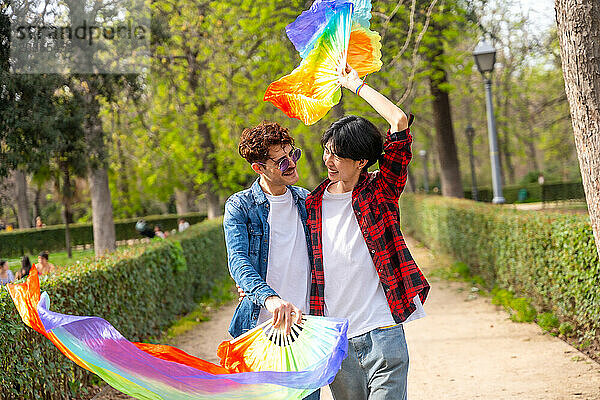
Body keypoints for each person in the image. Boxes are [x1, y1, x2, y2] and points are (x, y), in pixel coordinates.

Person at [304, 65, 430, 400]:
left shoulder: (380, 191)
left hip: (383, 331)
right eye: (327, 150)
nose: (329, 160)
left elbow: (399, 122)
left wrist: (356, 85)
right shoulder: (312, 204)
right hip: (336, 337)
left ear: (361, 161)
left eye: (338, 155)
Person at [223, 121, 318, 400]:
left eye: (293, 155)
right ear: (259, 168)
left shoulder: (308, 201)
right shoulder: (240, 206)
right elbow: (239, 262)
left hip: (306, 331)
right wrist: (269, 298)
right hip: (259, 330)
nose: (291, 164)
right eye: (281, 161)